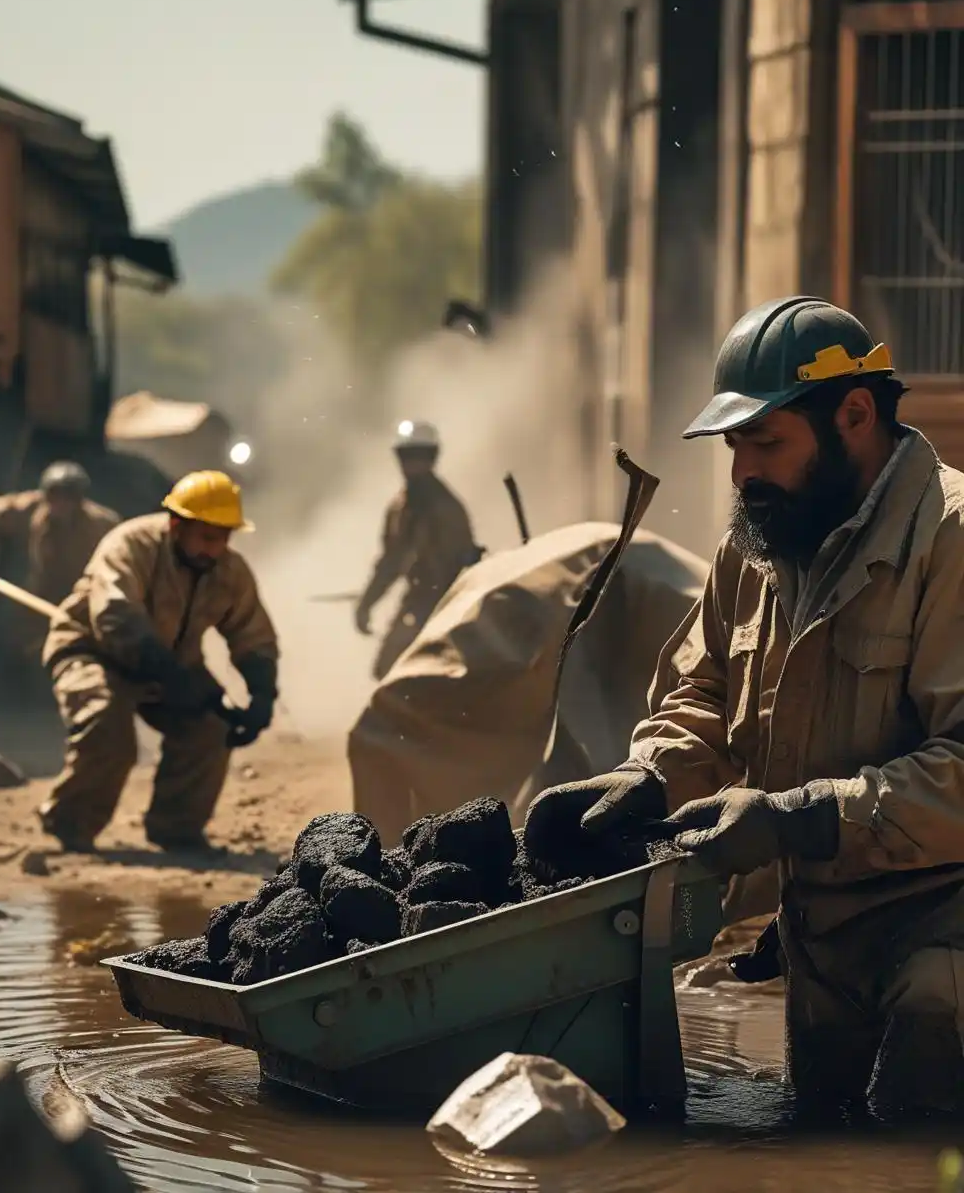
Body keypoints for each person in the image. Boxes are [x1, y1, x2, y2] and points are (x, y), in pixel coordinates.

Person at [525, 295, 964, 1118]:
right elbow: (705, 693)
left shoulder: (951, 541)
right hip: (822, 937)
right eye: (735, 446)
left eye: (767, 443)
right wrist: (650, 777)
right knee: (826, 1146)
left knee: (921, 1139)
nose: (742, 473)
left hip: (943, 942)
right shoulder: (760, 545)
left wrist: (800, 819)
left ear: (856, 415)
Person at [37, 470, 278, 854]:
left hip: (172, 661)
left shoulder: (228, 571)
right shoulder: (130, 544)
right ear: (176, 525)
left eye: (223, 538)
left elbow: (253, 635)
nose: (214, 549)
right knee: (107, 721)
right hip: (94, 650)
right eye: (206, 537)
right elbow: (115, 617)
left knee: (212, 727)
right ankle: (71, 823)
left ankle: (176, 829)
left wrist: (262, 693)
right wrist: (176, 680)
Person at [355, 420, 480, 680]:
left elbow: (465, 562)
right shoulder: (399, 508)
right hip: (417, 601)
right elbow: (391, 561)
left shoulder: (447, 508)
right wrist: (367, 602)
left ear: (432, 457)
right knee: (388, 670)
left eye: (419, 456)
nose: (411, 463)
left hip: (449, 603)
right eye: (406, 456)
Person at [0, 462, 119, 606]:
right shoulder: (27, 509)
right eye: (54, 495)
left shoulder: (101, 525)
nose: (60, 503)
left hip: (77, 600)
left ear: (79, 500)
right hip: (29, 600)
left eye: (68, 497)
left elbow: (121, 550)